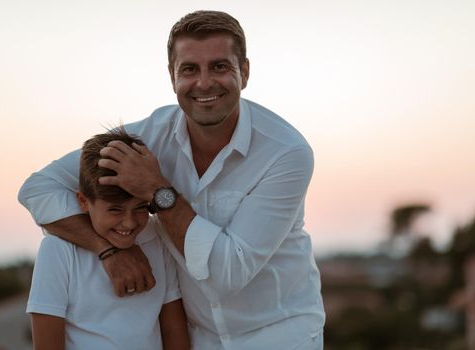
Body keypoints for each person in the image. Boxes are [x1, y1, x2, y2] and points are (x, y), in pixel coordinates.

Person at [19, 10, 325, 349]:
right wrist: (107, 250)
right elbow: (38, 188)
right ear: (172, 76)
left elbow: (227, 275)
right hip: (200, 338)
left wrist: (157, 190)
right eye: (189, 69)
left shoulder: (286, 153)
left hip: (278, 333)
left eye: (220, 66)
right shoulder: (150, 136)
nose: (204, 83)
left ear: (245, 72)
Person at [26, 129, 190, 350]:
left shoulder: (156, 239)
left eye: (140, 207)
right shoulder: (57, 249)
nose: (129, 223)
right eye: (115, 210)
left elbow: (173, 328)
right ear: (83, 201)